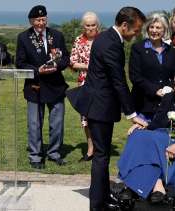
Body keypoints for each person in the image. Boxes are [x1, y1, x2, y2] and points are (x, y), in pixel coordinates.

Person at [66, 7, 147, 211]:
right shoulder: (111, 44)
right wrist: (132, 114)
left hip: (98, 104)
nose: (137, 34)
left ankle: (103, 196)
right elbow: (118, 81)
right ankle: (97, 205)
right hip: (99, 106)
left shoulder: (106, 38)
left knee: (102, 155)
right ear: (124, 25)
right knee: (101, 157)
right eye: (136, 30)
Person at [118, 70, 175, 203]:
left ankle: (131, 186)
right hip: (160, 135)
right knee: (136, 135)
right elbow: (156, 122)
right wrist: (143, 125)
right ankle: (157, 185)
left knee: (151, 142)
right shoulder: (169, 98)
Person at [16, 5, 69, 169]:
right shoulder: (23, 37)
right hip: (35, 85)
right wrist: (37, 70)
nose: (41, 22)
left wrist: (57, 66)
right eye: (38, 20)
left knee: (57, 123)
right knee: (34, 124)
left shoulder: (57, 35)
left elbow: (65, 58)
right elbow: (20, 63)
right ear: (32, 21)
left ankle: (54, 153)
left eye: (43, 19)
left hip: (56, 85)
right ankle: (35, 156)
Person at [129, 12, 175, 120]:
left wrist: (169, 89)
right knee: (144, 134)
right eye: (151, 27)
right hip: (143, 103)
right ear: (147, 28)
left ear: (164, 30)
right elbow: (135, 76)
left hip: (166, 102)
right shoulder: (138, 48)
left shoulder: (171, 50)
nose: (154, 30)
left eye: (158, 27)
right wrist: (155, 90)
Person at [70, 11, 100, 161]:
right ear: (83, 26)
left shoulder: (104, 40)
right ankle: (90, 148)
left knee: (100, 116)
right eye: (87, 25)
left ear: (97, 25)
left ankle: (100, 147)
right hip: (84, 83)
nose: (90, 28)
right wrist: (90, 66)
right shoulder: (78, 40)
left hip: (102, 83)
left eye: (93, 25)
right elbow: (73, 62)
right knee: (85, 118)